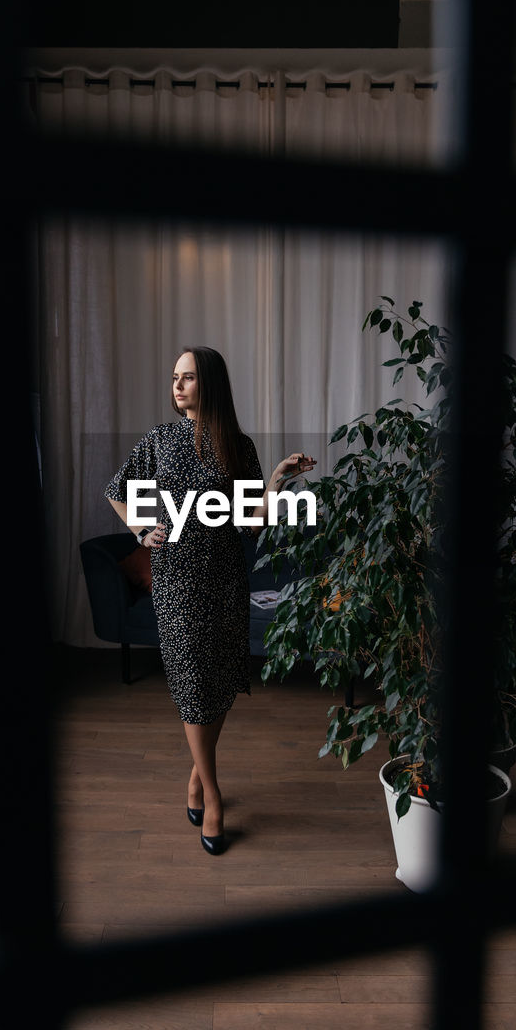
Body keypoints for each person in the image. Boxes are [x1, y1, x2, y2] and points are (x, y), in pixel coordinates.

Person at [104, 346, 316, 856]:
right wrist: (139, 527)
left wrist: (277, 482)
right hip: (176, 580)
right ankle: (214, 795)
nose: (177, 386)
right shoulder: (157, 440)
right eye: (174, 378)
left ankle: (196, 778)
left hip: (224, 578)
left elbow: (251, 520)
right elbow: (117, 488)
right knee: (193, 683)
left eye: (189, 378)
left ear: (211, 384)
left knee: (218, 680)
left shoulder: (238, 446)